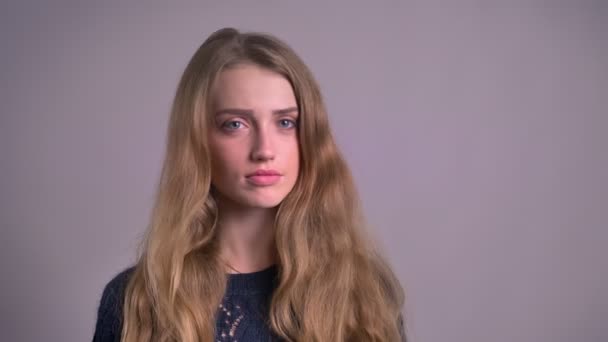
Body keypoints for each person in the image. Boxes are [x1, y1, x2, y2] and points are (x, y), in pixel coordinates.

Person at [93, 27, 406, 342]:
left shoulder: (364, 295)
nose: (264, 150)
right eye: (235, 124)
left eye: (286, 122)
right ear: (197, 140)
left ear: (310, 136)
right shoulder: (138, 303)